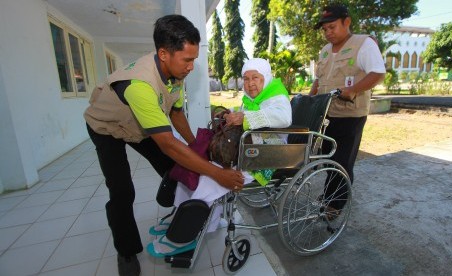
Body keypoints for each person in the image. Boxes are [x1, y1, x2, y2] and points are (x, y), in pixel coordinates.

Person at [83, 14, 244, 276]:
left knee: (178, 166)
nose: (192, 66)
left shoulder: (174, 73)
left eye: (194, 59)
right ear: (164, 53)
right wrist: (217, 173)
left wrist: (196, 146)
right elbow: (168, 143)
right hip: (106, 128)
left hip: (137, 125)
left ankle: (177, 212)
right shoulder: (139, 86)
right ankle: (126, 251)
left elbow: (176, 113)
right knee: (122, 190)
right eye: (188, 60)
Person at [147, 58, 292, 257]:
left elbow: (284, 118)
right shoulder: (250, 99)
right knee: (196, 168)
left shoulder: (276, 96)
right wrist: (231, 114)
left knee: (211, 178)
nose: (250, 83)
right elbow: (243, 114)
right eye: (246, 78)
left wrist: (245, 118)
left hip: (268, 154)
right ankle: (182, 217)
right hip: (247, 149)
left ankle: (184, 234)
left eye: (255, 78)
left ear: (266, 78)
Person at [310, 4, 385, 214]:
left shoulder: (363, 44)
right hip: (326, 115)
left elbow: (378, 73)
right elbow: (318, 80)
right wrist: (309, 98)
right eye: (325, 29)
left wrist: (353, 90)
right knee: (328, 159)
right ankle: (329, 195)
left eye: (332, 27)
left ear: (347, 22)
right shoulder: (324, 51)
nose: (328, 33)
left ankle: (334, 206)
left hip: (351, 115)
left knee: (342, 162)